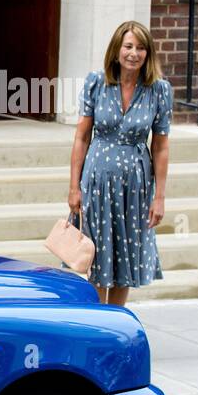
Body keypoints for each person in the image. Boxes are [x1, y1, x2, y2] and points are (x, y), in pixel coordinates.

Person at [68, 21, 172, 305]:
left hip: (135, 186)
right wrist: (74, 187)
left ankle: (116, 321)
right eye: (128, 46)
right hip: (97, 181)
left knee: (125, 260)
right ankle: (98, 322)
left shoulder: (159, 90)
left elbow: (161, 147)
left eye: (140, 48)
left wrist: (159, 197)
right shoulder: (96, 83)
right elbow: (81, 138)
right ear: (116, 51)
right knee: (98, 258)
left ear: (148, 54)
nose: (134, 53)